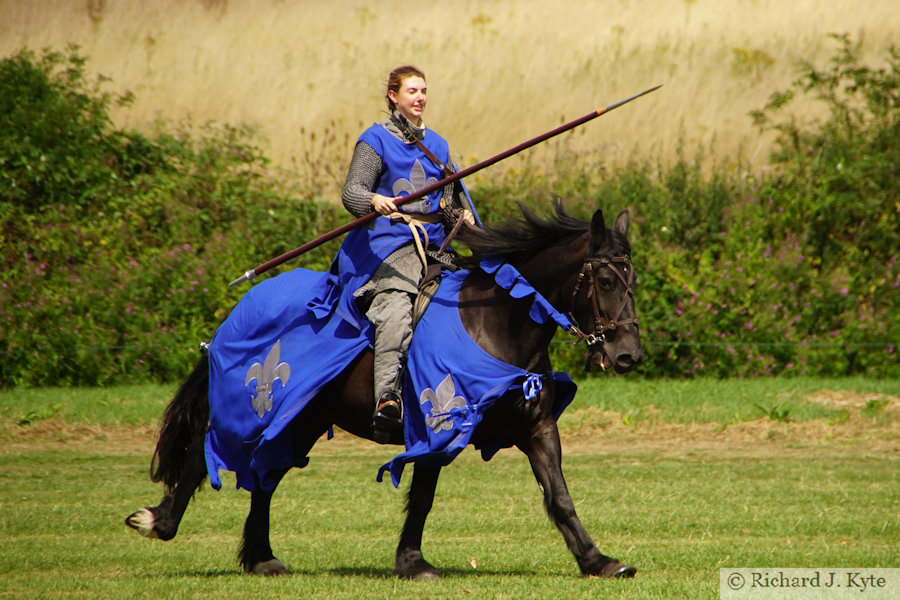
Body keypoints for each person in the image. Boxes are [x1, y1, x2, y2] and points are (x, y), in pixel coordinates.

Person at [339, 65, 474, 438]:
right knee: (397, 306)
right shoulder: (375, 140)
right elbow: (352, 193)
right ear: (393, 97)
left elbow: (449, 205)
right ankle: (387, 397)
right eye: (412, 91)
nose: (420, 98)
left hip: (435, 245)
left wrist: (465, 220)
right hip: (388, 243)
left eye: (424, 91)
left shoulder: (440, 146)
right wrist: (374, 199)